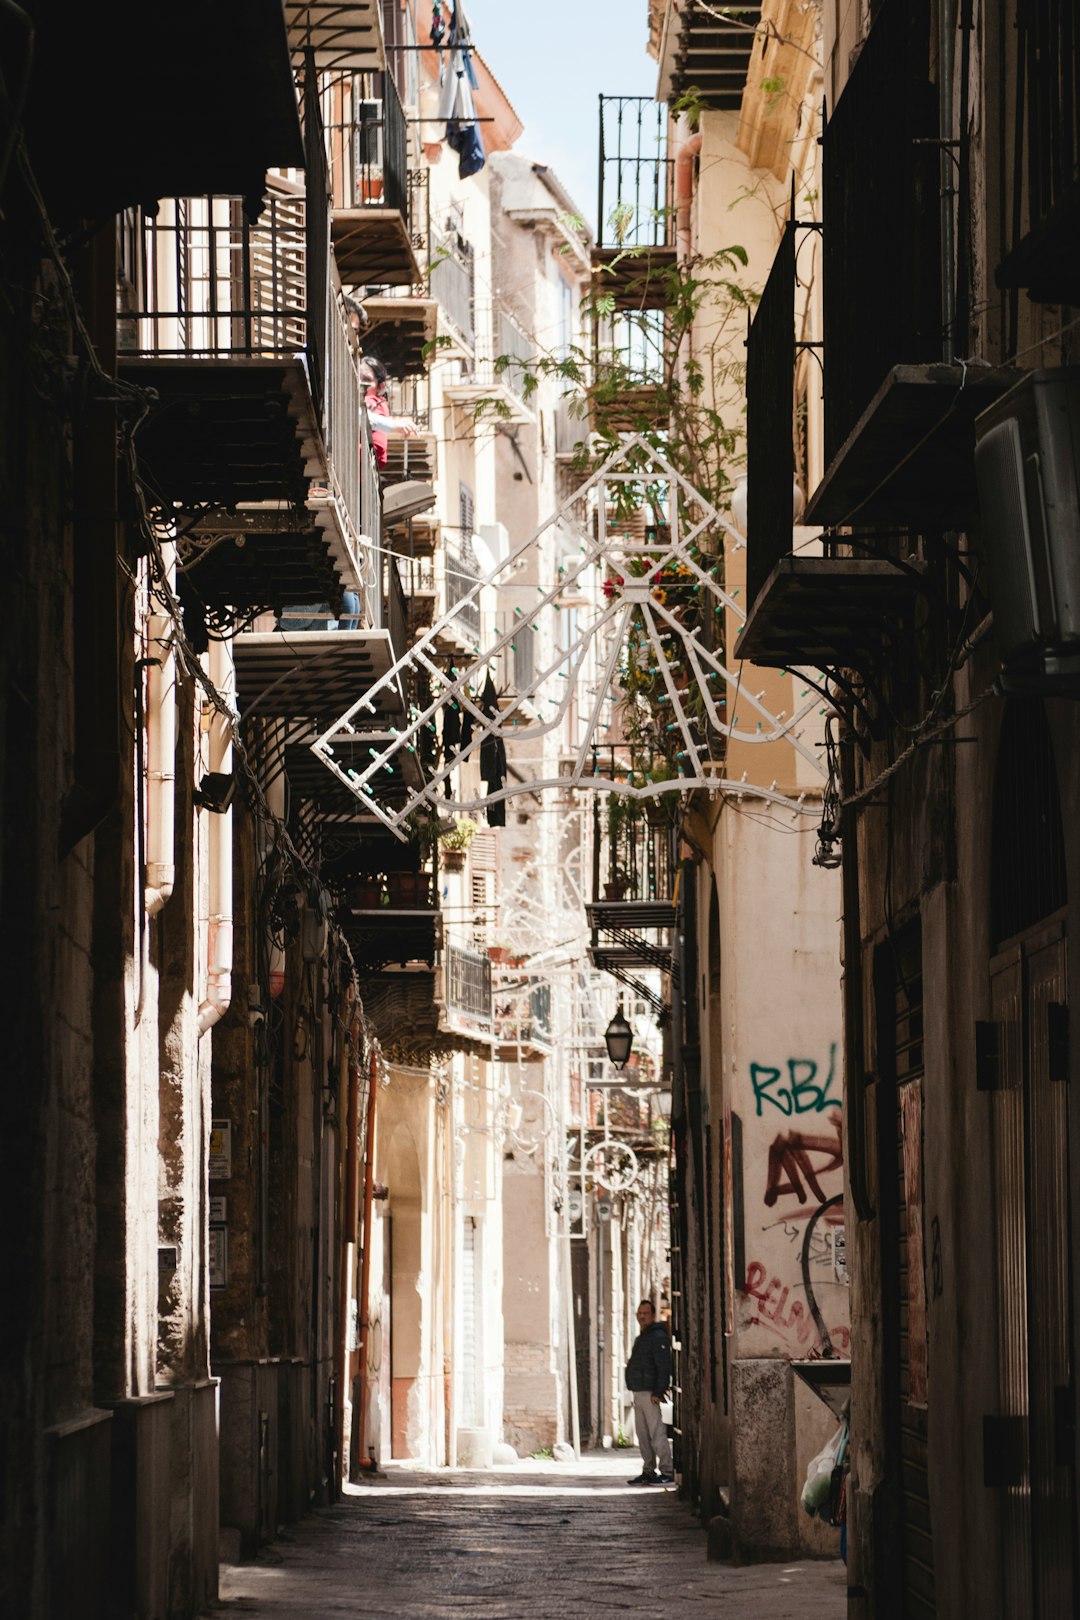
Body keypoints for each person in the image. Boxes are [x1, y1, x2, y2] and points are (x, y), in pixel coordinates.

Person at [625, 1298, 674, 1485]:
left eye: (645, 1314)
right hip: (639, 1392)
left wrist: (658, 1391)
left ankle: (667, 1470)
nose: (642, 1317)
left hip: (650, 1393)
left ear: (653, 1315)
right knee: (643, 1435)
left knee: (656, 1433)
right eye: (639, 1314)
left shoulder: (658, 1336)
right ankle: (648, 1470)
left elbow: (663, 1366)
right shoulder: (643, 1337)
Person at [359, 354, 419, 469]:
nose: (360, 383)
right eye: (358, 377)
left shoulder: (373, 403)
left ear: (380, 386)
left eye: (366, 380)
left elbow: (378, 446)